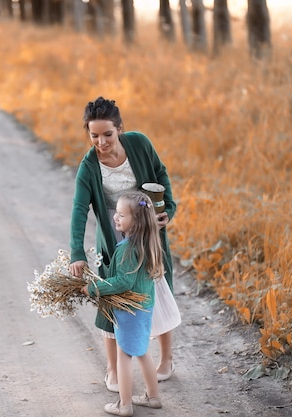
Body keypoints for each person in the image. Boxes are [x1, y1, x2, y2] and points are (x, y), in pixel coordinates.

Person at [68, 97, 177, 392]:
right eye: (94, 135)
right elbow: (79, 210)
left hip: (149, 232)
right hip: (115, 236)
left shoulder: (139, 144)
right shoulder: (89, 168)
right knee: (112, 297)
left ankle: (166, 359)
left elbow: (161, 174)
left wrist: (169, 207)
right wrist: (77, 253)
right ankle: (112, 369)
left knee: (157, 288)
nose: (101, 142)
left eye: (107, 134)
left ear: (119, 129)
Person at [81, 191, 164, 416]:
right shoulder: (146, 243)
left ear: (135, 221)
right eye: (116, 213)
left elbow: (123, 281)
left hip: (129, 310)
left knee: (124, 355)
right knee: (142, 351)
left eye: (120, 215)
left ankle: (124, 404)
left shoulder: (127, 249)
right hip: (144, 308)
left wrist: (94, 288)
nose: (115, 218)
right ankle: (153, 397)